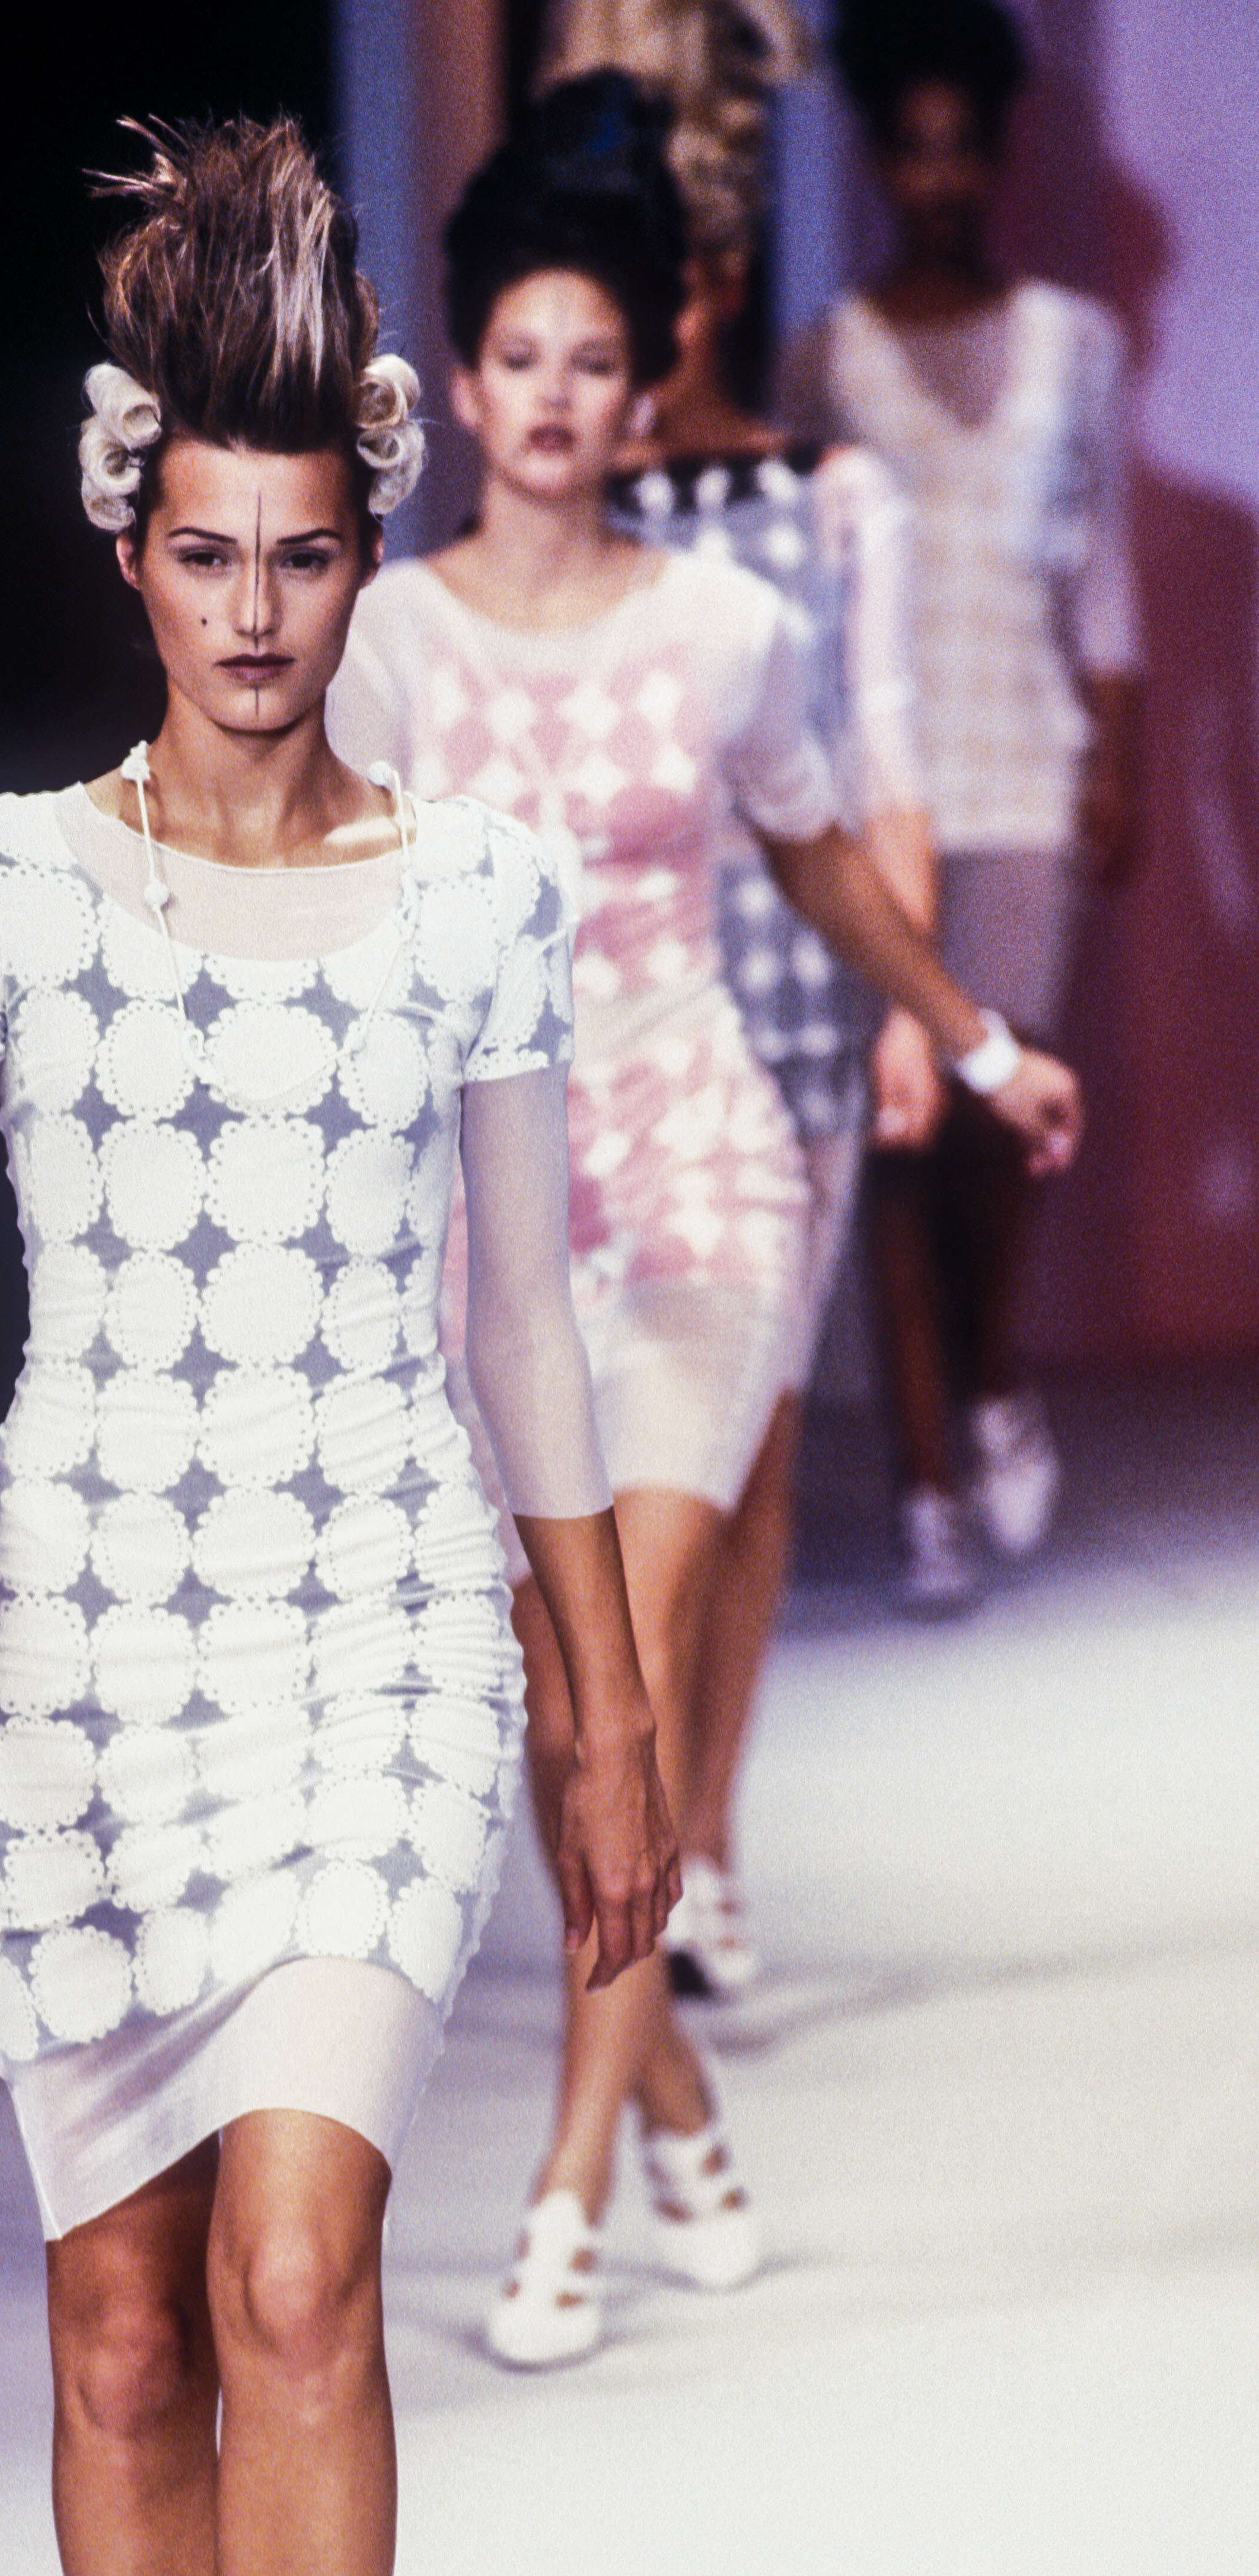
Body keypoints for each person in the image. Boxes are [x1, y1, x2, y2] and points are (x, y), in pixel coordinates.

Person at [0, 116, 677, 2576]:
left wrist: (606, 1715)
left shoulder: (479, 898)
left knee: (300, 2264)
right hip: (71, 1652)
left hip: (377, 1627)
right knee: (119, 2330)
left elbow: (530, 1331)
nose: (260, 610)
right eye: (208, 553)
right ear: (132, 552)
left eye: (305, 555)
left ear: (362, 552)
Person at [327, 73, 1082, 2367]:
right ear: (466, 387)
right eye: (519, 358)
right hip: (487, 1218)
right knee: (564, 1723)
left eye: (595, 358)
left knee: (626, 1681)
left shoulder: (726, 629)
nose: (558, 396)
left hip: (693, 1177)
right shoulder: (387, 644)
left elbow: (823, 863)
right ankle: (674, 2111)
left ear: (642, 381)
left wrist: (975, 1043)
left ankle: (564, 2196)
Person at [552, 0, 943, 1988]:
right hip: (587, 1020)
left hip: (785, 1017)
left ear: (718, 289)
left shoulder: (831, 499)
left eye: (680, 281)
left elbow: (883, 771)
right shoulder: (551, 513)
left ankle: (704, 1841)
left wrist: (916, 1004)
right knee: (613, 1453)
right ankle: (636, 1804)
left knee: (754, 1440)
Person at [783, 0, 1143, 1607]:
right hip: (877, 792)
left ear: (998, 157)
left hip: (1024, 772)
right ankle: (927, 1479)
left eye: (962, 148)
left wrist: (1121, 755)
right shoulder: (828, 358)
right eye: (910, 149)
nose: (936, 177)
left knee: (1001, 1119)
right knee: (901, 1130)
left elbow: (1103, 567)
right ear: (876, 159)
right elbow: (806, 594)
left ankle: (993, 1371)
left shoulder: (1079, 342)